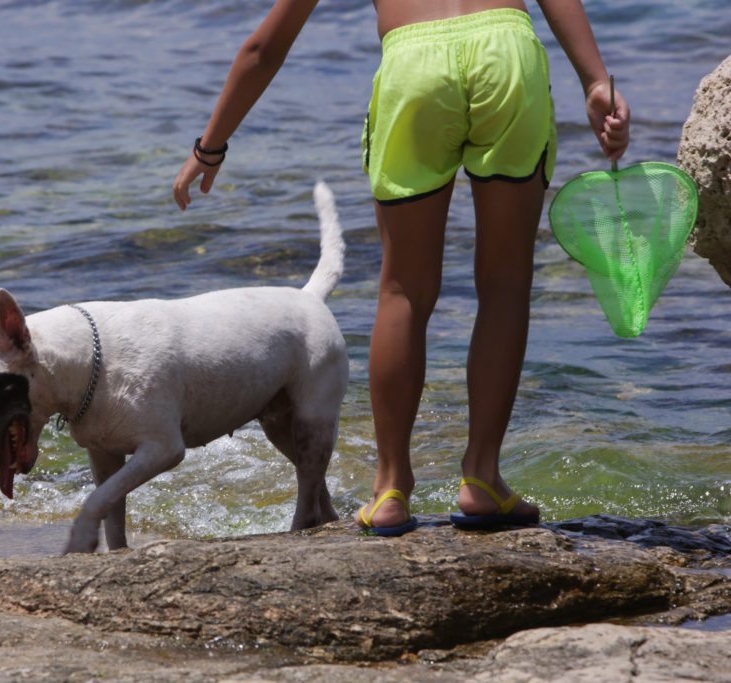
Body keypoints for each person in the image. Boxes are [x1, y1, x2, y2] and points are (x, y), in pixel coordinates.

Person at [172, 0, 630, 535]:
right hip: (507, 56)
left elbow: (264, 46)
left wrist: (210, 147)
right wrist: (597, 81)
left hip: (413, 64)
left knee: (403, 292)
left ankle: (389, 488)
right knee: (505, 286)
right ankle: (482, 477)